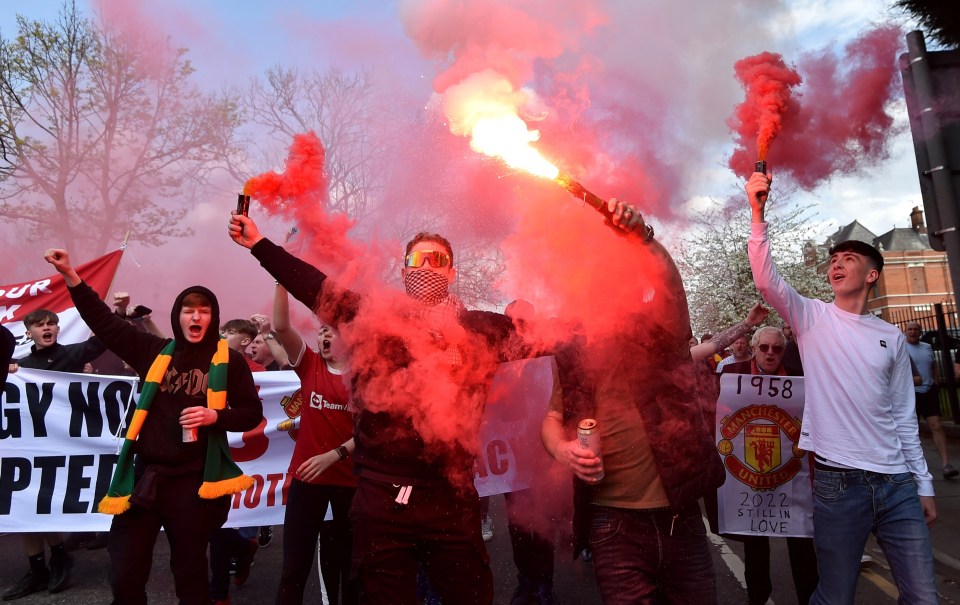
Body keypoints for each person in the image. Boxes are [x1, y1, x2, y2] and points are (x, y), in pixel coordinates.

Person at [228, 213, 512, 604]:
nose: (427, 266)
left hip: (451, 497)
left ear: (452, 273)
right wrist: (260, 244)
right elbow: (315, 286)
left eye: (437, 260)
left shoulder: (484, 329)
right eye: (418, 260)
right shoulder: (374, 320)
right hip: (381, 499)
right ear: (404, 269)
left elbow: (565, 337)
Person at [747, 172, 937, 604]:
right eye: (835, 258)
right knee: (835, 597)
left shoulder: (890, 338)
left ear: (871, 276)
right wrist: (758, 212)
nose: (837, 263)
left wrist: (923, 484)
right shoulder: (810, 317)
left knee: (924, 597)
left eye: (849, 258)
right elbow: (765, 280)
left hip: (898, 486)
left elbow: (905, 418)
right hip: (838, 484)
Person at [42, 248, 263, 605]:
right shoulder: (153, 350)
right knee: (125, 573)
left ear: (213, 317)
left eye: (203, 310)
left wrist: (215, 417)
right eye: (188, 310)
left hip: (193, 483)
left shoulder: (231, 362)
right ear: (177, 316)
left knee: (189, 576)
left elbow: (252, 413)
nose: (196, 316)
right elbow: (104, 323)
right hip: (145, 477)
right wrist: (70, 275)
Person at [540, 199, 725, 604]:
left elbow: (672, 292)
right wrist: (564, 449)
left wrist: (643, 239)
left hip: (680, 516)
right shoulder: (571, 351)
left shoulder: (657, 328)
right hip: (612, 523)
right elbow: (552, 418)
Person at [3, 307, 107, 600]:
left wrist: (121, 313)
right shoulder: (21, 366)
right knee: (25, 504)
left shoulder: (73, 355)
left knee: (46, 504)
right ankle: (40, 568)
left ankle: (58, 557)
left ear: (58, 329)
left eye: (51, 323)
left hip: (68, 446)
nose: (46, 328)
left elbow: (105, 339)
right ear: (29, 332)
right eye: (40, 325)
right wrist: (8, 368)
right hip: (32, 447)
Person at [272, 284, 358, 605]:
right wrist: (281, 280)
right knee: (294, 569)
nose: (324, 338)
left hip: (351, 485)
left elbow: (373, 432)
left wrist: (334, 456)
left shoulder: (366, 375)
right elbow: (281, 326)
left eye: (332, 333)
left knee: (351, 571)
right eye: (321, 331)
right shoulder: (310, 365)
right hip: (308, 482)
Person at [720, 326, 817, 605]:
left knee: (800, 541)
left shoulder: (800, 378)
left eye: (776, 348)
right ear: (754, 349)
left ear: (784, 352)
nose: (770, 353)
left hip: (792, 477)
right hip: (750, 477)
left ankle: (808, 598)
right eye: (764, 348)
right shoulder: (731, 375)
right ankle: (758, 597)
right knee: (755, 543)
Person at [904, 321, 958, 478]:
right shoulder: (901, 348)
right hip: (911, 394)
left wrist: (935, 381)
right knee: (913, 431)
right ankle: (916, 467)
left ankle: (946, 464)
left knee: (936, 425)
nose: (913, 332)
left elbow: (933, 365)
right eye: (910, 329)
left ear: (920, 332)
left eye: (916, 329)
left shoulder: (927, 347)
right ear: (905, 332)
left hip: (929, 391)